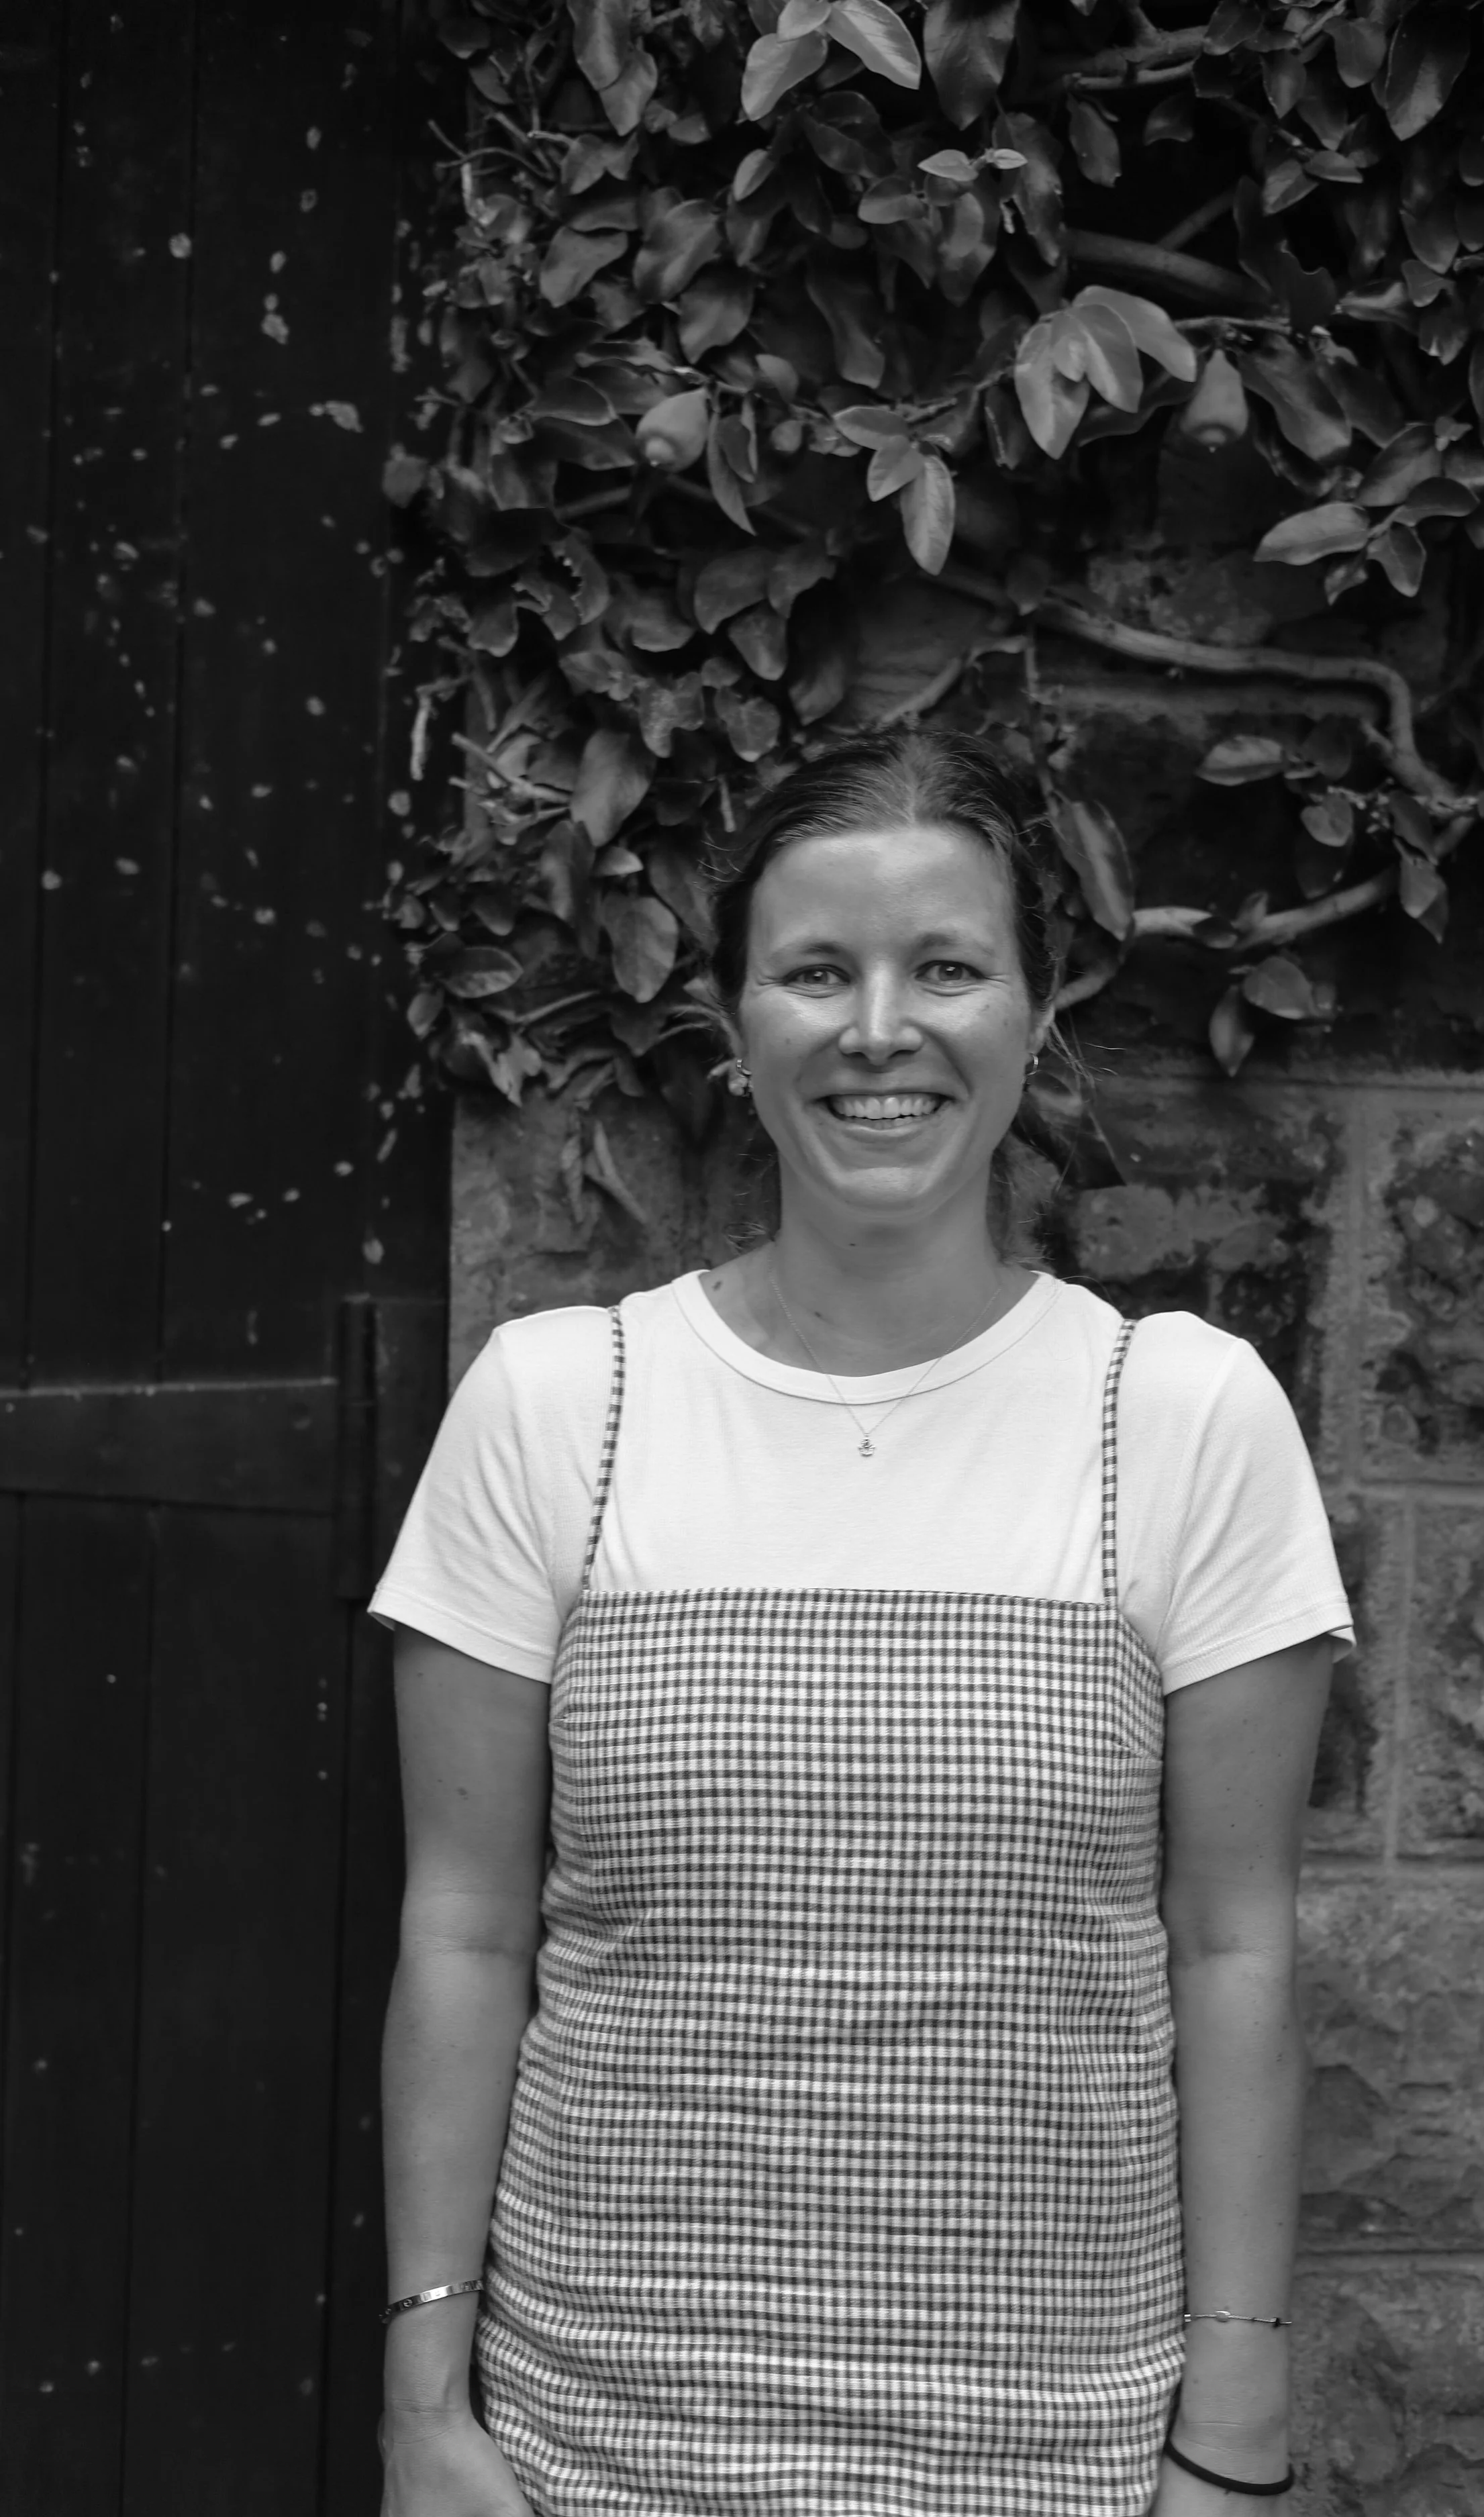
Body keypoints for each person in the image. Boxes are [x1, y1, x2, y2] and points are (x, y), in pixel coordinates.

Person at [372, 727, 1351, 2516]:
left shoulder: (1177, 1417)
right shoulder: (560, 1405)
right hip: (602, 2440)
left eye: (947, 968)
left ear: (1037, 1015)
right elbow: (465, 1929)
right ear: (732, 1021)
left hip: (1054, 2445)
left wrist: (1235, 2435)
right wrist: (423, 2407)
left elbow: (1233, 1951)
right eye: (816, 971)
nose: (879, 1029)